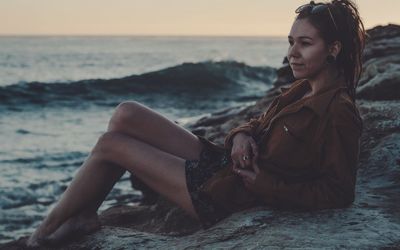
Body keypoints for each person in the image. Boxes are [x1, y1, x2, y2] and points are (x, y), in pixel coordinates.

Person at [27, 0, 365, 246]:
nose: (293, 53)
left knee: (111, 146)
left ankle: (41, 235)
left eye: (305, 44)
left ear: (333, 49)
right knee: (126, 112)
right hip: (222, 165)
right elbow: (258, 122)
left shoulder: (339, 111)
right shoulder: (301, 89)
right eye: (291, 42)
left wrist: (265, 185)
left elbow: (338, 193)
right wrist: (242, 136)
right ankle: (84, 215)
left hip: (228, 197)